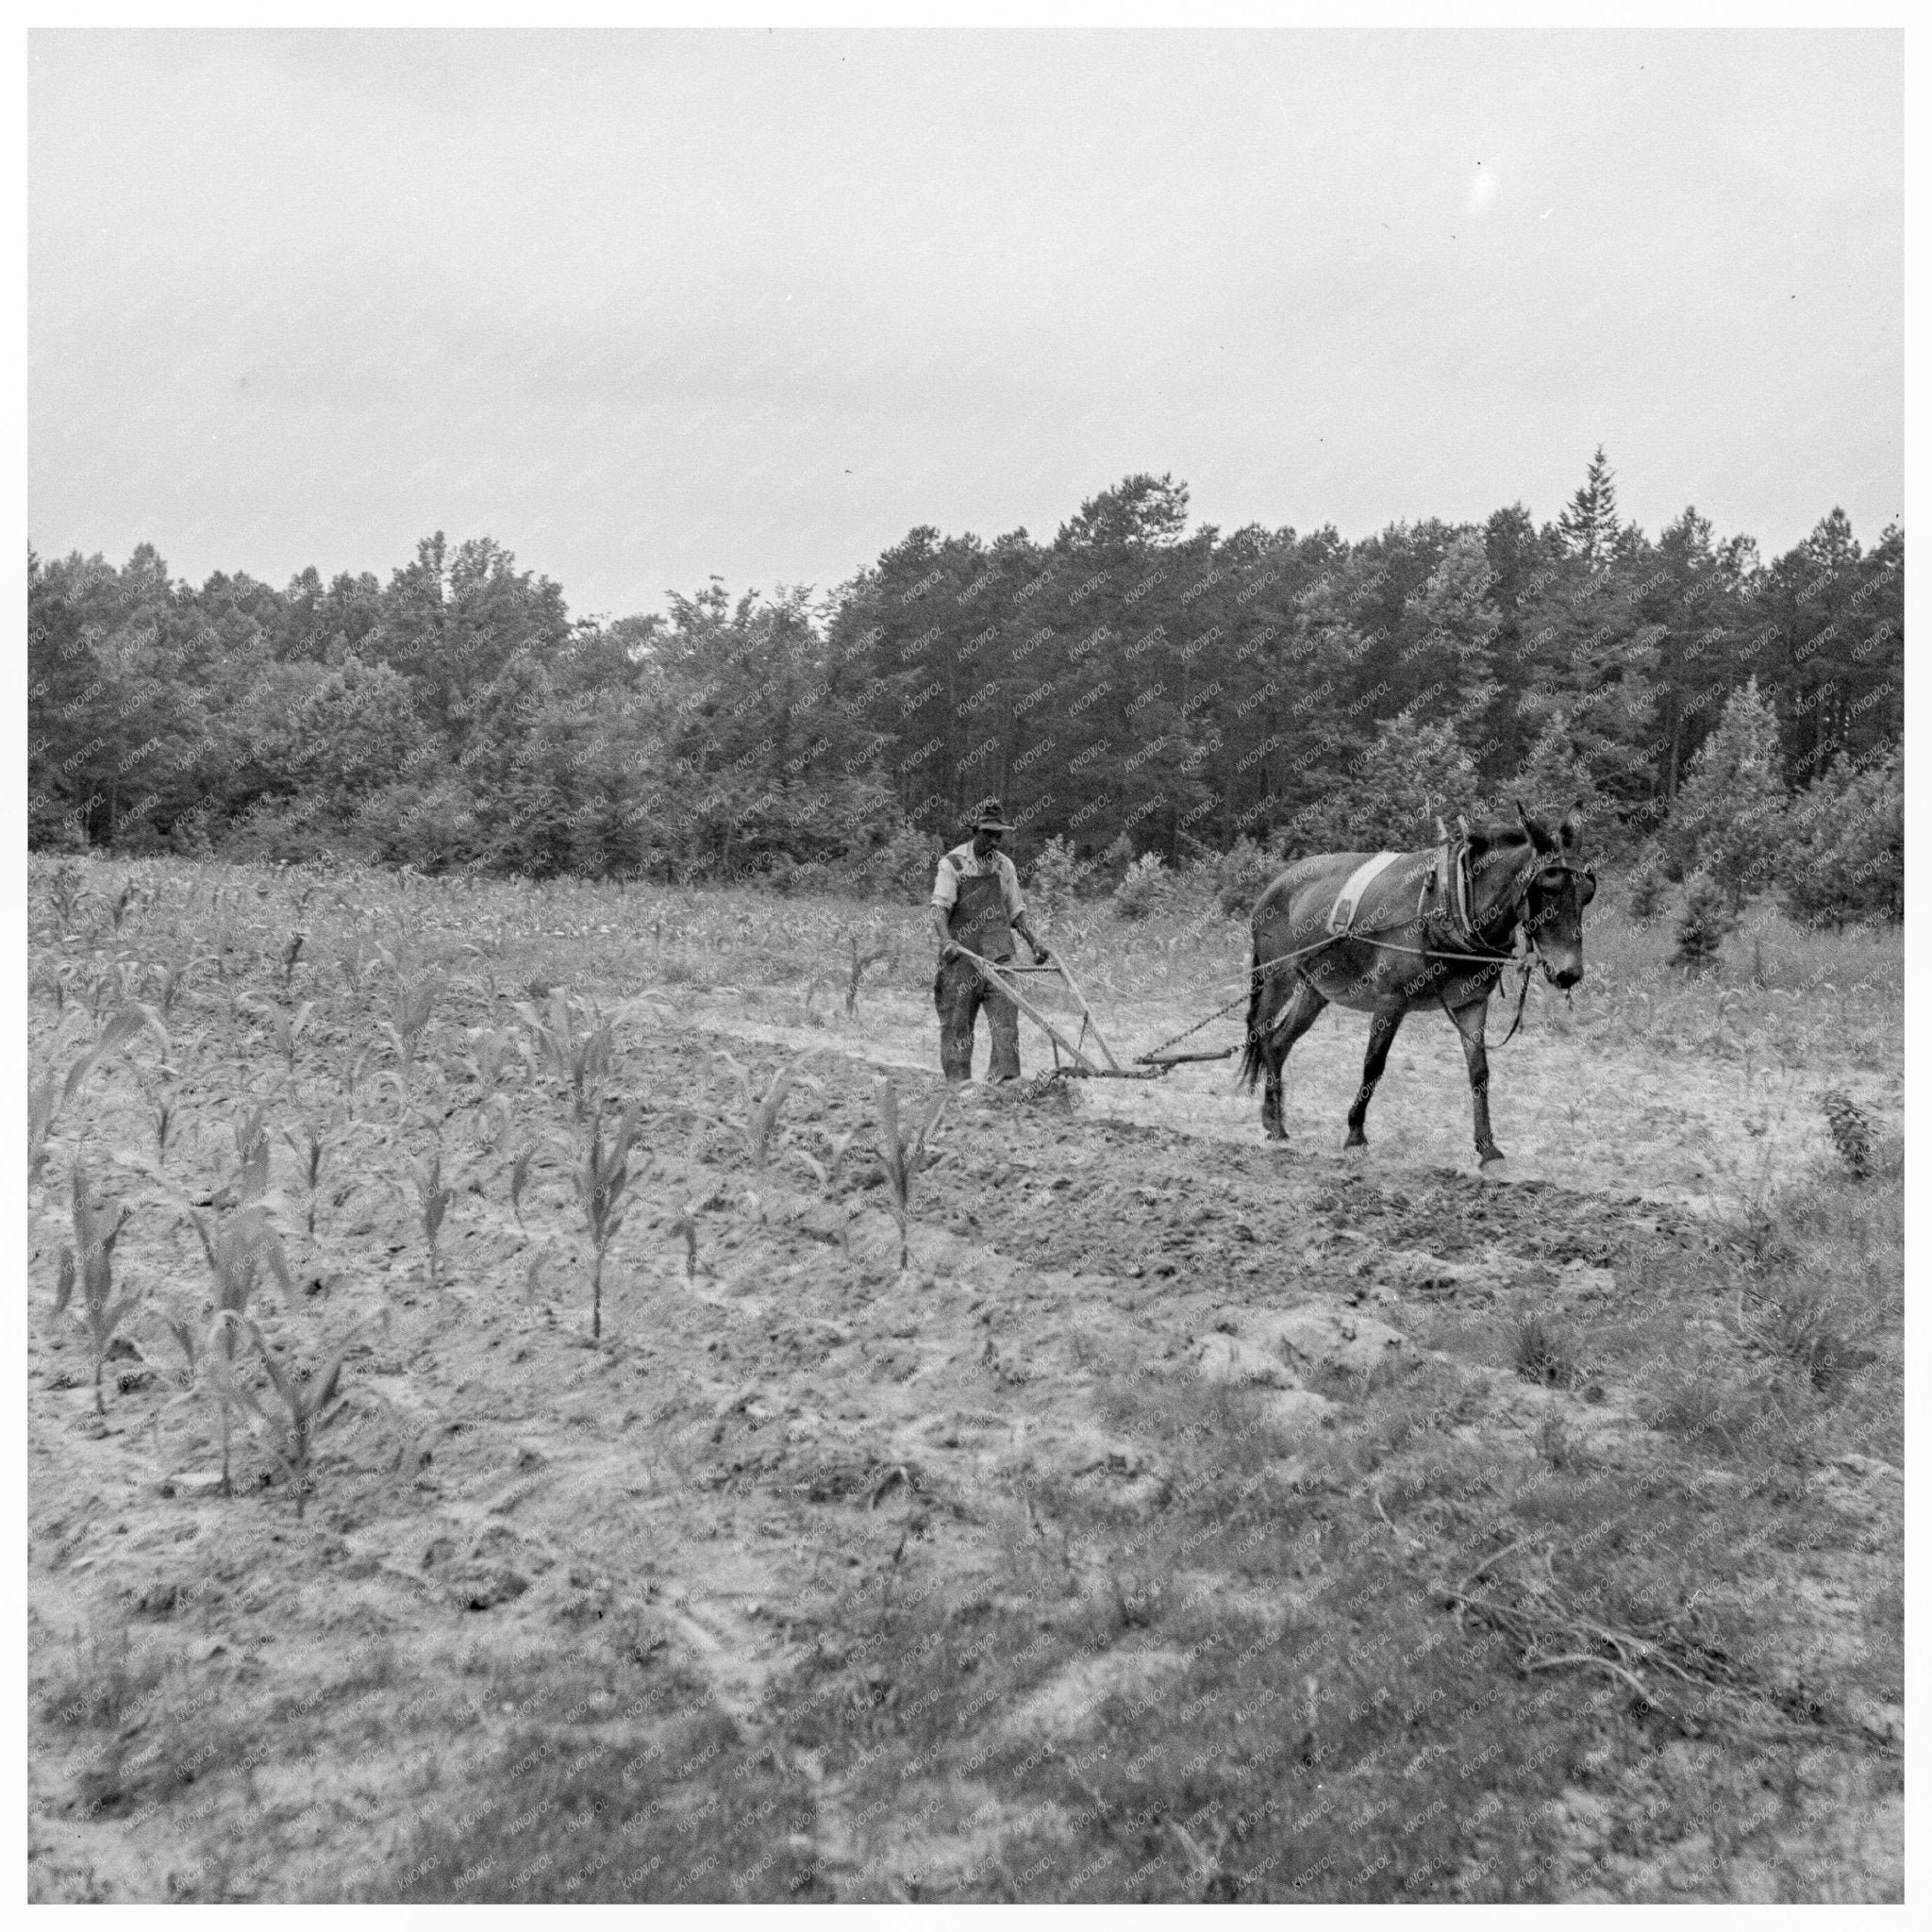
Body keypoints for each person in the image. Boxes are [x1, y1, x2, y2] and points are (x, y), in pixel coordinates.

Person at [929, 799, 1051, 1083]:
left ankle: (1003, 1084)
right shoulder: (954, 863)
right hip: (962, 957)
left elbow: (1015, 911)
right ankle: (957, 1086)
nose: (995, 841)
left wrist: (1034, 943)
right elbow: (939, 908)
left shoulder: (1004, 866)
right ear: (976, 832)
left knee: (1007, 1022)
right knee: (957, 1026)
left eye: (999, 836)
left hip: (999, 955)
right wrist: (946, 941)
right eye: (990, 835)